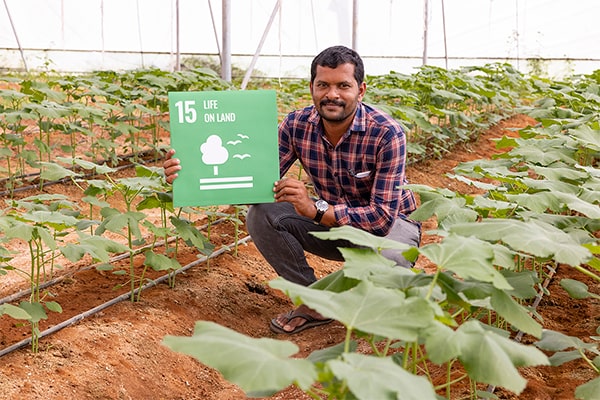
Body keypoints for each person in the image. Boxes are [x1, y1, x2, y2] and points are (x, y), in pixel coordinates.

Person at [163, 45, 420, 335]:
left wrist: (316, 209)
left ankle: (375, 298)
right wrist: (189, 174)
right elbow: (253, 180)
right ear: (312, 87)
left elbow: (382, 218)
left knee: (388, 269)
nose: (332, 94)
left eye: (343, 86)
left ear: (360, 91)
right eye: (323, 85)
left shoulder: (386, 133)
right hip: (333, 227)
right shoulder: (297, 125)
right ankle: (314, 301)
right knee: (262, 213)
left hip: (390, 229)